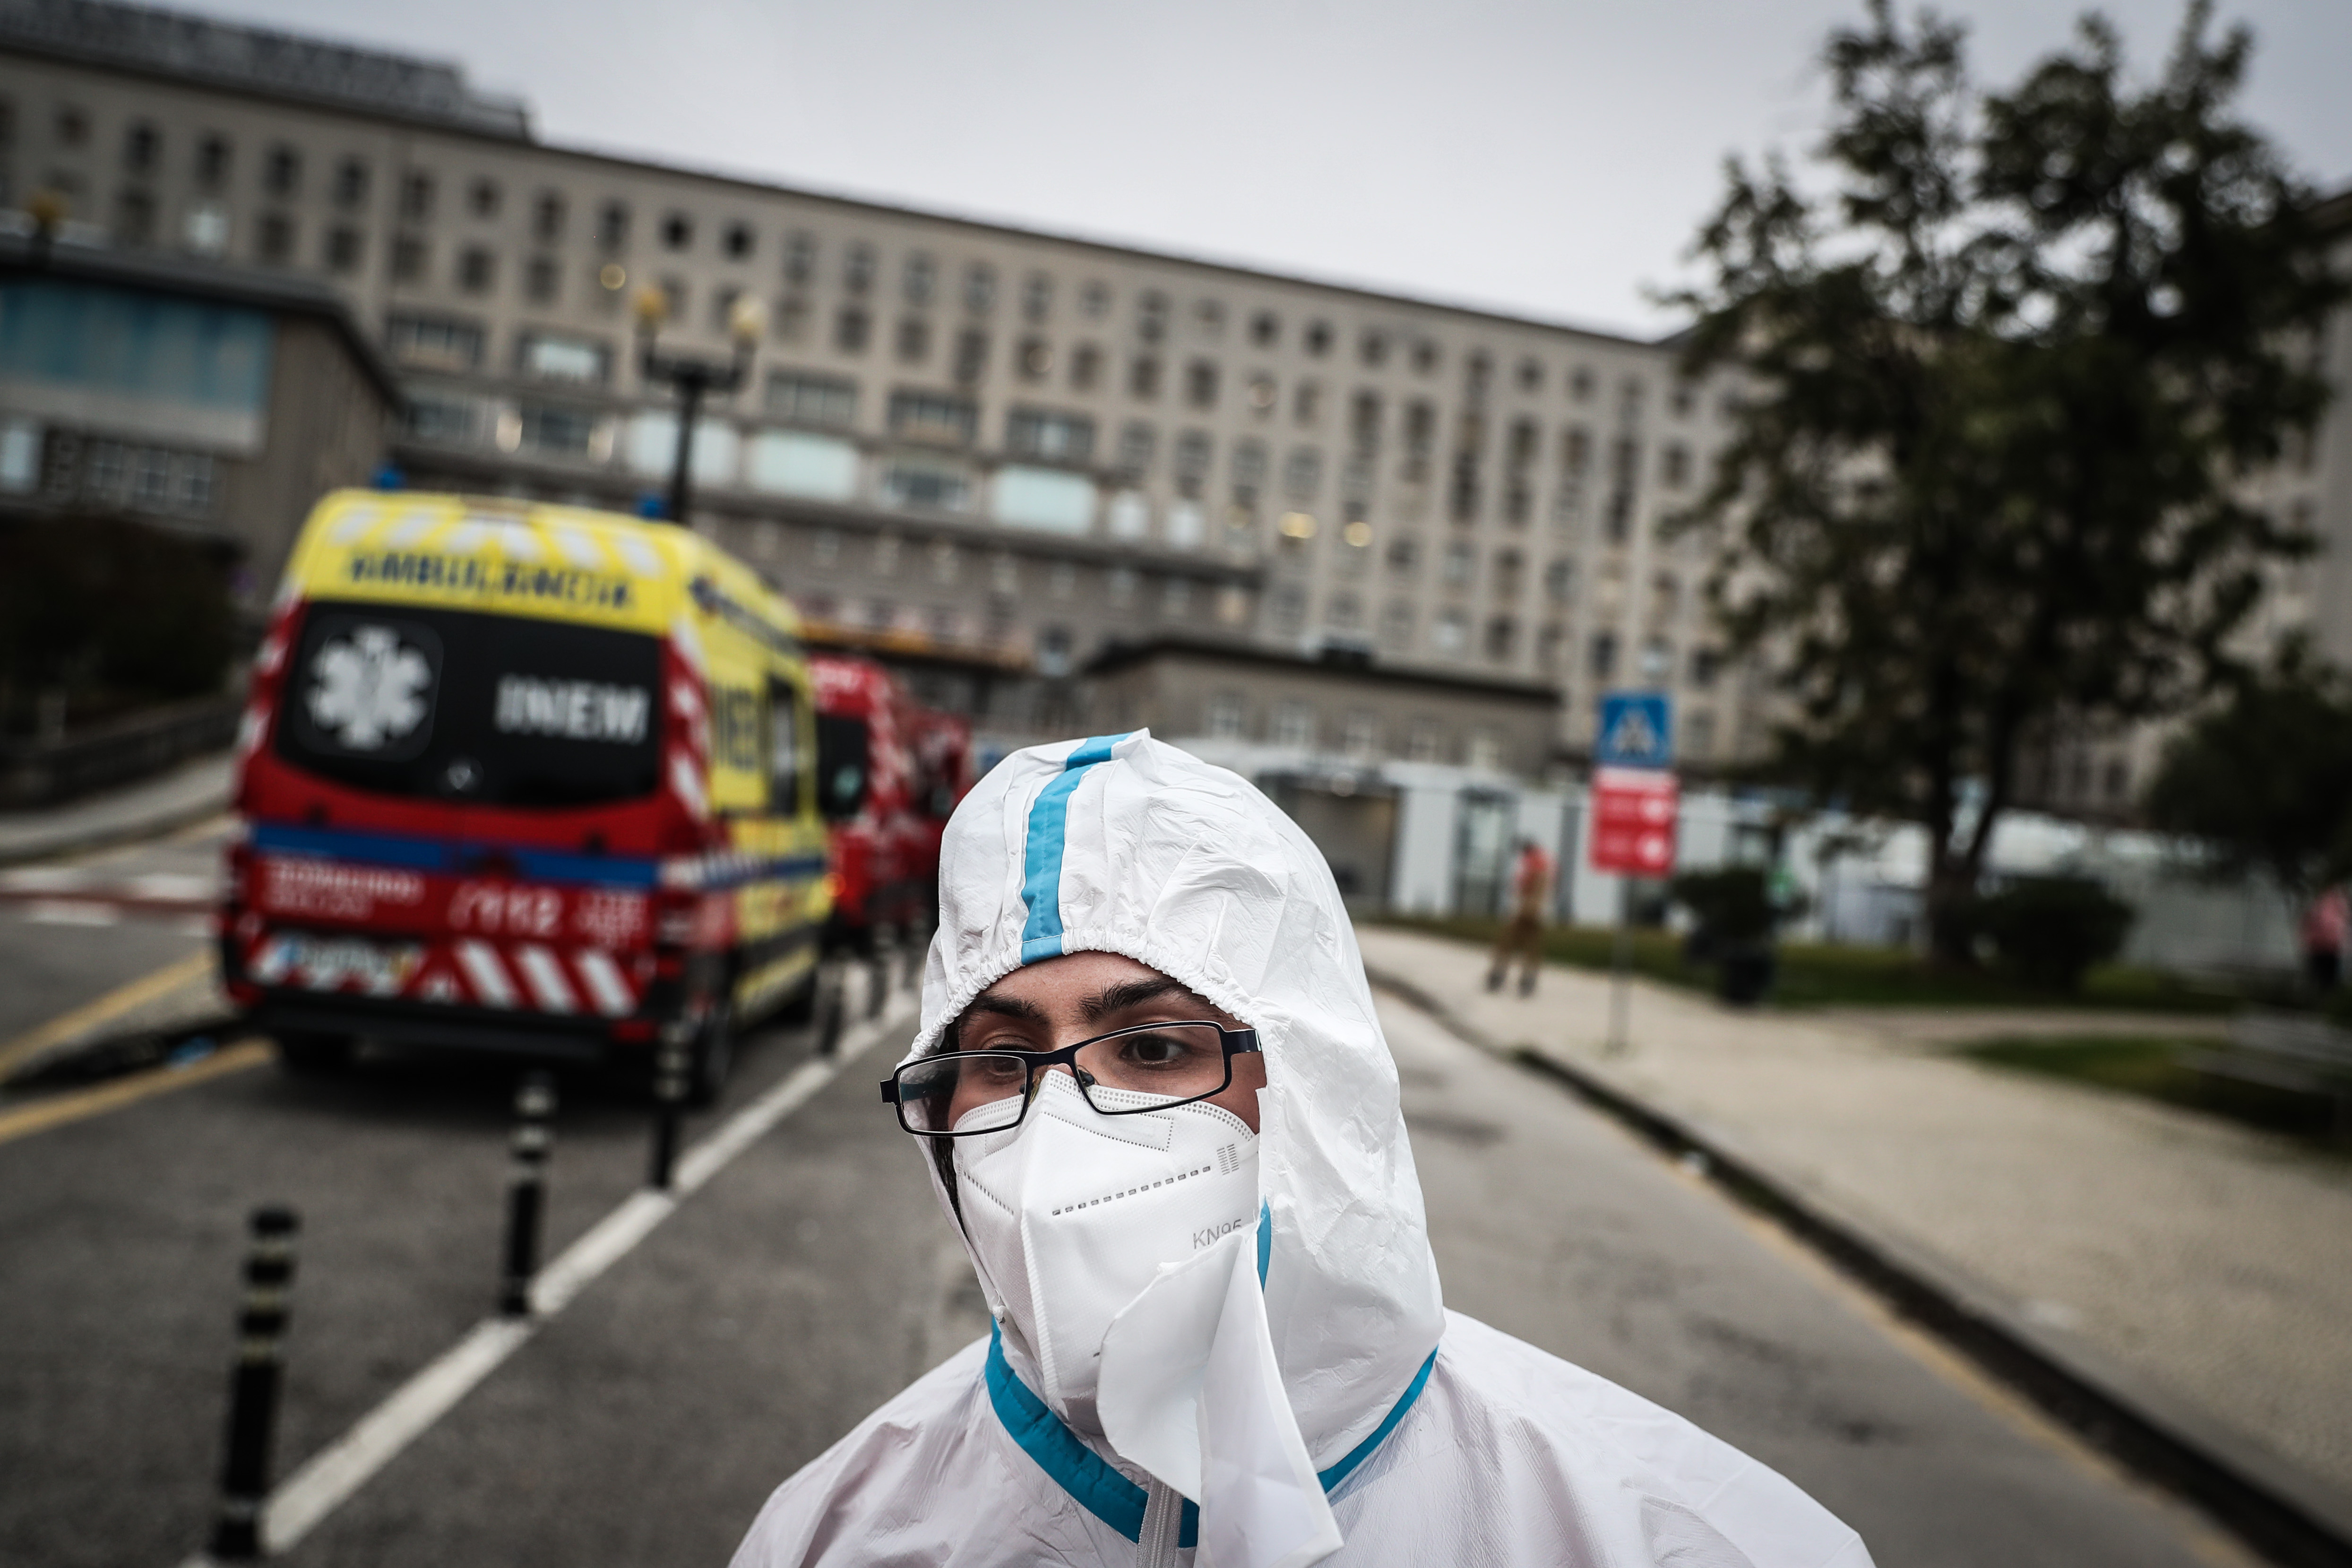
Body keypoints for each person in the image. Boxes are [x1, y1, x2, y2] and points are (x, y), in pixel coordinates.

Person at [732, 732, 1871, 1568]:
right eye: (1002, 1060)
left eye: (1154, 1048)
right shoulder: (837, 1534)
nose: (1063, 1125)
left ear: (1308, 1089)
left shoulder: (1656, 1535)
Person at [1485, 836, 1555, 997]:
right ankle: (1527, 981)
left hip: (1528, 909)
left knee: (1507, 942)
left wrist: (1519, 891)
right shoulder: (1544, 861)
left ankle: (1498, 976)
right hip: (1538, 911)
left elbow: (1527, 884)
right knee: (1532, 947)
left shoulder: (1535, 862)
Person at [2303, 884, 2347, 992]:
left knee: (2325, 978)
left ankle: (2324, 996)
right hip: (2323, 947)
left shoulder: (2331, 904)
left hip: (2328, 947)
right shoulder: (2322, 904)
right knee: (2322, 977)